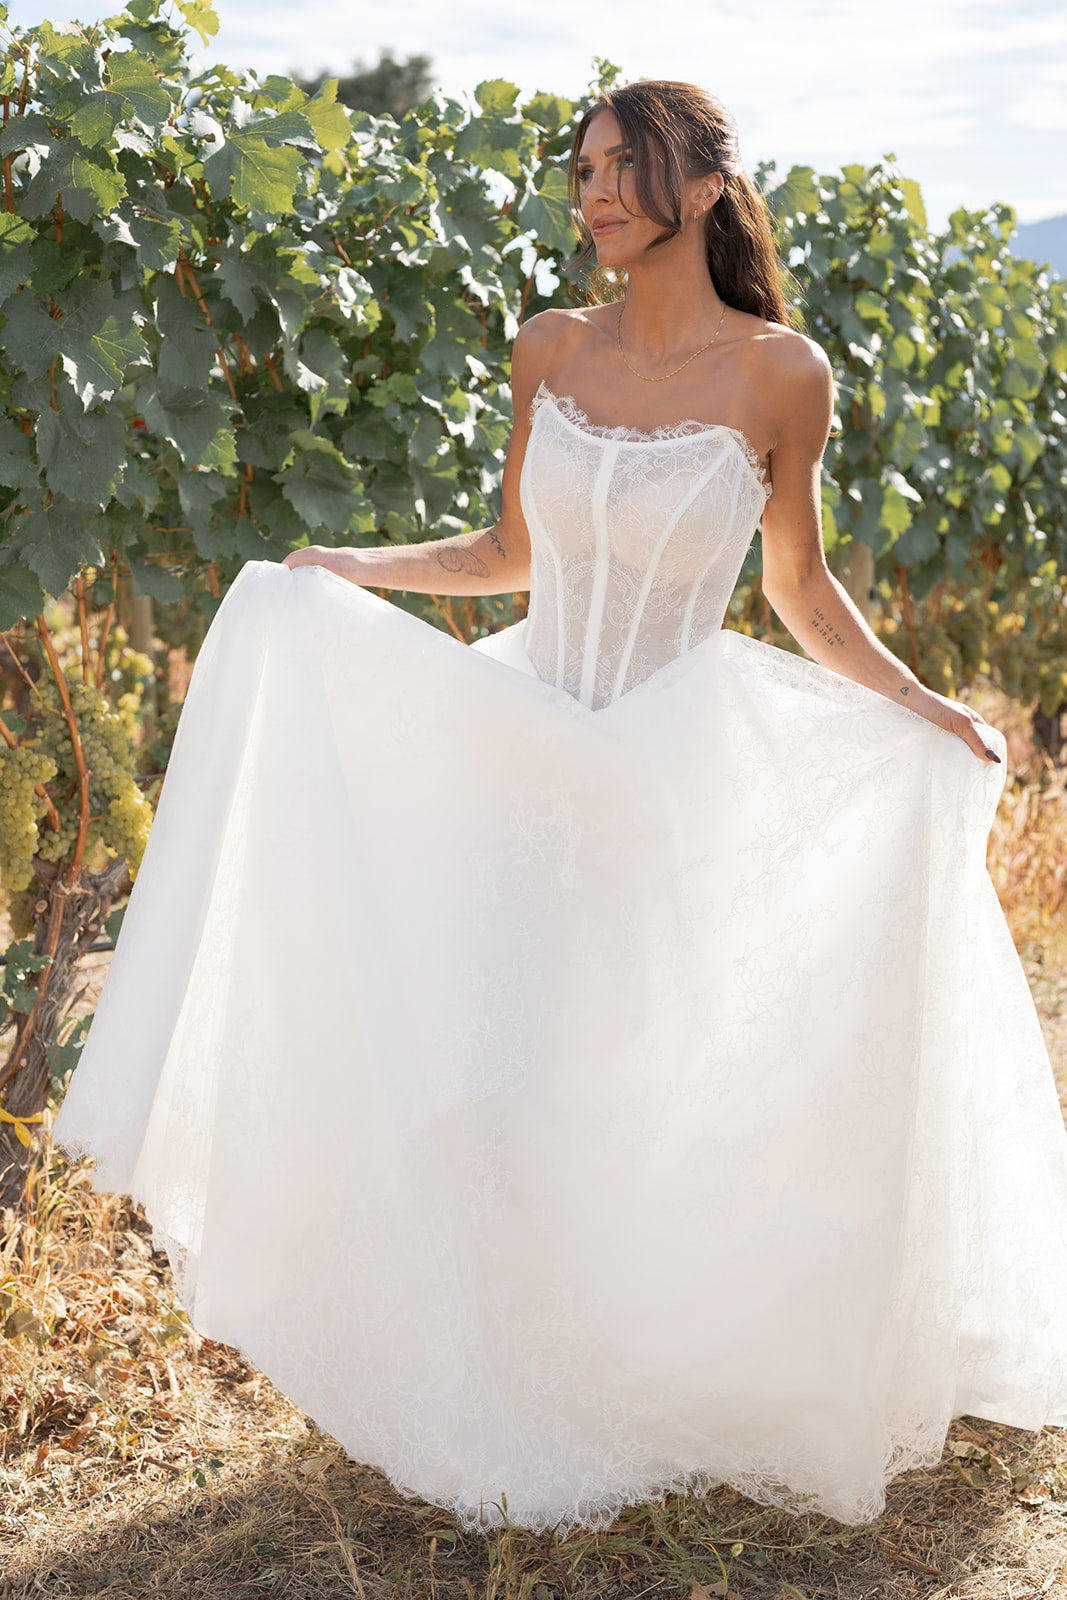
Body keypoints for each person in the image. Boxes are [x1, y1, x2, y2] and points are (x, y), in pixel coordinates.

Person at [53, 80, 1067, 1538]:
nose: (590, 194)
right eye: (582, 169)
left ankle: (639, 1362)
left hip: (670, 769)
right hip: (520, 751)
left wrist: (924, 711)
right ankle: (496, 1382)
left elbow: (798, 590)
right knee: (494, 1071)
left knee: (630, 1083)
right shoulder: (549, 347)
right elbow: (512, 550)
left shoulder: (782, 375)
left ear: (706, 186)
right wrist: (353, 567)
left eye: (621, 169)